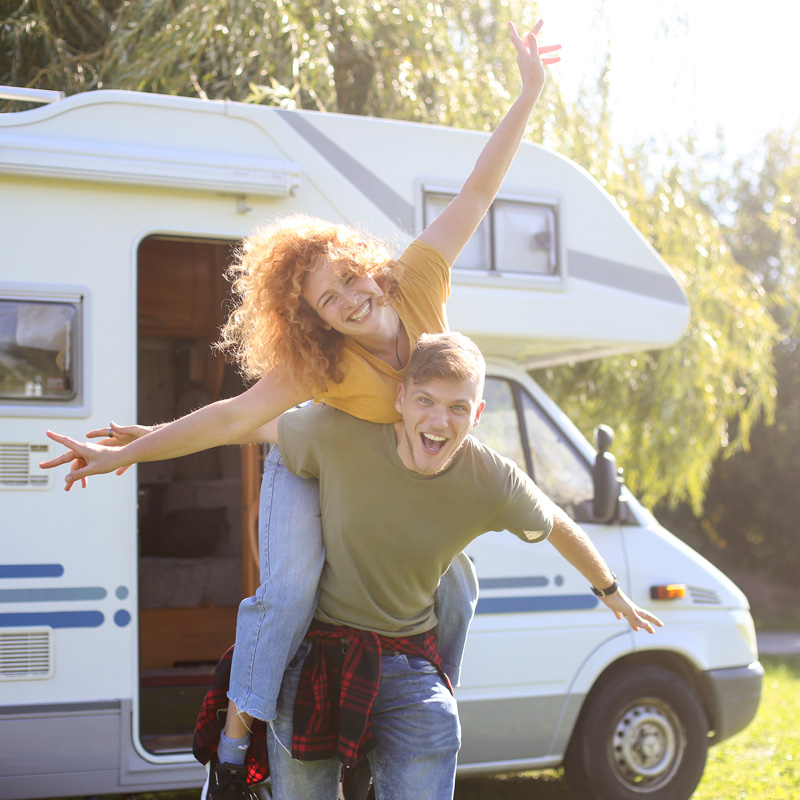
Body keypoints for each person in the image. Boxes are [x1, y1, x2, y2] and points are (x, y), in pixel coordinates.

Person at [40, 19, 563, 800]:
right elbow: (232, 419)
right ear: (314, 318)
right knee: (289, 588)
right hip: (306, 469)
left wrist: (528, 93)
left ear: (369, 267)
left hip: (373, 475)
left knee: (460, 584)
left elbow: (480, 190)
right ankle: (234, 737)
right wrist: (125, 453)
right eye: (328, 299)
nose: (350, 298)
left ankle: (422, 692)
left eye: (352, 278)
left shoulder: (418, 279)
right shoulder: (316, 362)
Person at [231, 331, 664, 800]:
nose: (439, 420)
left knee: (438, 726)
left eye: (458, 407)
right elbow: (248, 422)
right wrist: (150, 439)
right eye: (425, 400)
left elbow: (555, 521)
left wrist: (609, 589)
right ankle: (227, 760)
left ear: (477, 415)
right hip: (318, 654)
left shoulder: (492, 479)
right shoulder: (342, 432)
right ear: (400, 399)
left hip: (406, 659)